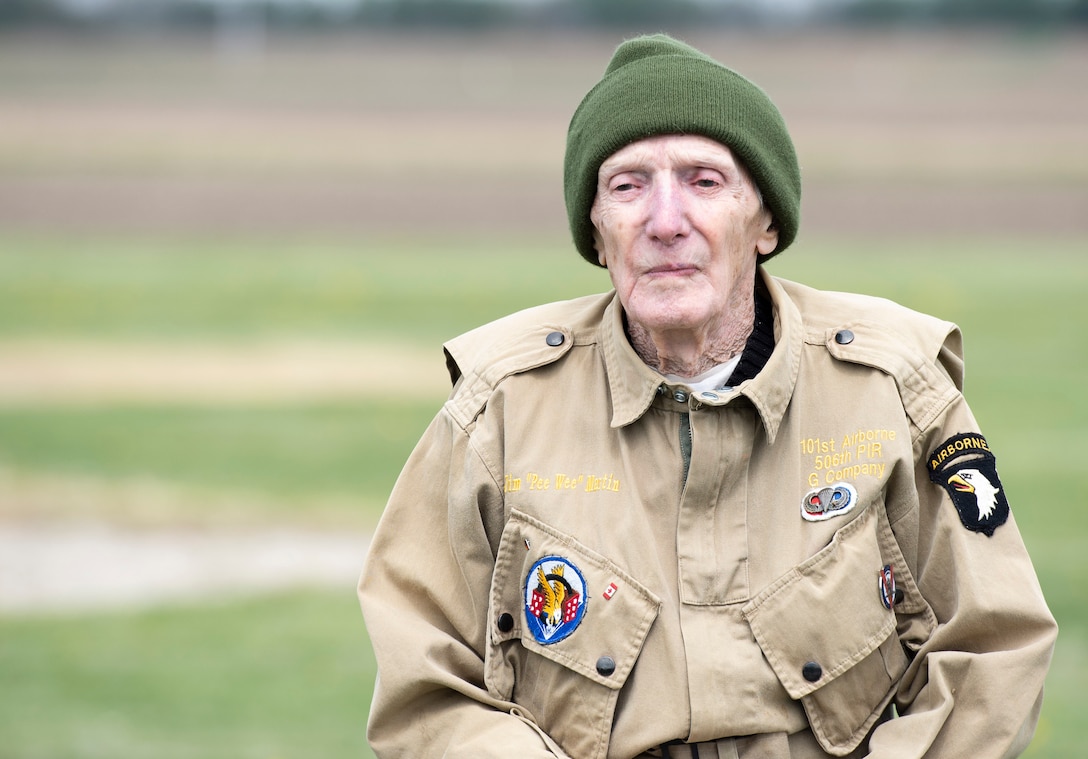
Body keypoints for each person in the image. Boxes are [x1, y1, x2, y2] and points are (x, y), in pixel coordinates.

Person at [358, 34, 1056, 758]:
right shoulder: (497, 410)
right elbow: (425, 690)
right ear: (597, 232)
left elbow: (994, 647)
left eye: (703, 181)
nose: (665, 221)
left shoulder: (895, 390)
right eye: (628, 186)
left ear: (766, 223)